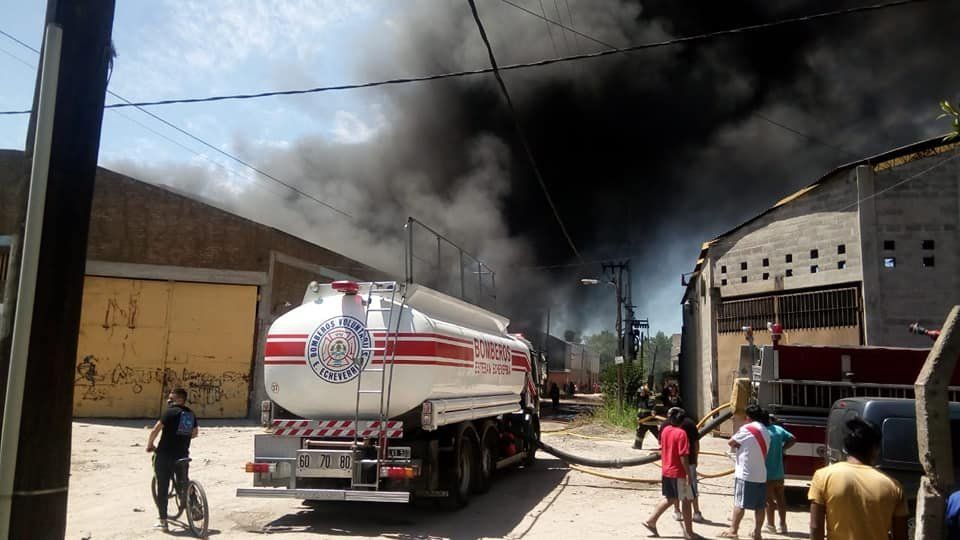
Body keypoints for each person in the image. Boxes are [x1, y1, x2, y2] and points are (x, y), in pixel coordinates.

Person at [808, 418, 908, 540]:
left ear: (846, 447)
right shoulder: (894, 486)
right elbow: (901, 535)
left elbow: (816, 526)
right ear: (875, 449)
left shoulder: (823, 476)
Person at [642, 407, 700, 540]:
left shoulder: (665, 430)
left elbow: (662, 447)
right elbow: (683, 456)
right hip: (679, 472)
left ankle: (651, 521)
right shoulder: (681, 434)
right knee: (686, 501)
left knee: (670, 498)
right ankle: (689, 533)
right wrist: (688, 473)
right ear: (683, 420)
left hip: (667, 470)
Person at [147, 388, 199, 531]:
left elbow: (155, 430)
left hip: (164, 455)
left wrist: (150, 445)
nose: (169, 400)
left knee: (162, 487)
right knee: (184, 482)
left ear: (180, 399)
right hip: (182, 455)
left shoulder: (169, 412)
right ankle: (195, 505)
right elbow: (195, 433)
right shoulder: (190, 414)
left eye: (172, 398)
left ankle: (163, 522)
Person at [719, 404, 770, 540]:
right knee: (760, 506)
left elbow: (731, 442)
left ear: (748, 417)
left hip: (746, 473)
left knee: (740, 503)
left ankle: (733, 531)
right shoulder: (765, 430)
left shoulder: (747, 429)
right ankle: (757, 533)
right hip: (761, 474)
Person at [671, 412, 705, 523]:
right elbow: (696, 444)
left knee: (677, 487)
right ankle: (696, 513)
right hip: (690, 461)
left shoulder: (668, 425)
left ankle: (677, 511)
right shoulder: (690, 424)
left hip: (675, 462)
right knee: (692, 487)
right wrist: (696, 458)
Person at [764, 415, 796, 535]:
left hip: (767, 472)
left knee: (768, 500)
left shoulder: (763, 431)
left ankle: (770, 525)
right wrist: (783, 448)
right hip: (779, 472)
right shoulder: (779, 430)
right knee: (781, 499)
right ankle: (783, 525)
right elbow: (793, 438)